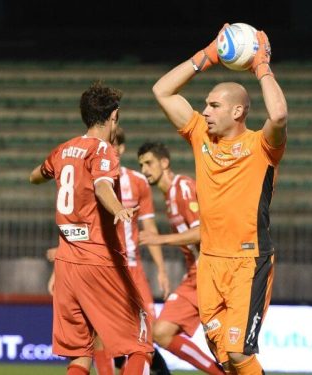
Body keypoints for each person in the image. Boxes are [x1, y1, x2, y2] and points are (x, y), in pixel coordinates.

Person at [151, 24, 288, 374]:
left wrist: (261, 66)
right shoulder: (201, 137)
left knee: (240, 353)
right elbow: (162, 91)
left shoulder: (262, 145)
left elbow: (280, 115)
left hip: (248, 261)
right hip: (209, 264)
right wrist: (208, 55)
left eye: (214, 105)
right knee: (225, 361)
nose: (206, 111)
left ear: (237, 112)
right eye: (205, 106)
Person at [29, 82, 153, 375]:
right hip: (99, 260)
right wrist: (118, 209)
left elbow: (35, 176)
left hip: (66, 266)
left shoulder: (64, 150)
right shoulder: (104, 150)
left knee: (79, 355)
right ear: (114, 116)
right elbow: (101, 186)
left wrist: (48, 174)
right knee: (140, 343)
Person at [46, 127, 172, 375]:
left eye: (112, 144)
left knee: (142, 335)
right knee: (111, 338)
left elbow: (149, 228)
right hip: (100, 263)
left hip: (130, 267)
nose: (106, 149)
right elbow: (74, 223)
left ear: (120, 149)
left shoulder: (137, 181)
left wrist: (160, 269)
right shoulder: (88, 174)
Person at [137, 141, 225, 374]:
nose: (145, 169)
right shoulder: (169, 196)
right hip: (197, 275)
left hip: (213, 273)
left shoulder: (183, 188)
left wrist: (160, 239)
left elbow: (202, 232)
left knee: (226, 346)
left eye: (149, 163)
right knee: (161, 332)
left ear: (164, 163)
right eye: (141, 165)